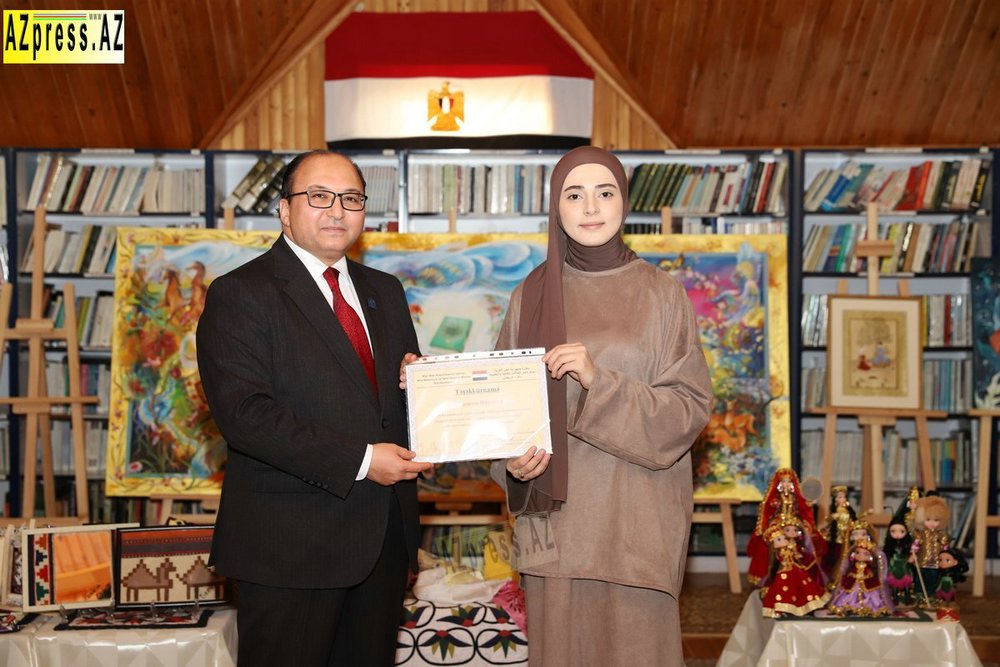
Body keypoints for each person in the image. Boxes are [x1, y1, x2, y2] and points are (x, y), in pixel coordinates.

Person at [196, 150, 432, 666]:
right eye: (319, 196)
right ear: (285, 210)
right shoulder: (240, 293)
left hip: (383, 542)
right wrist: (364, 461)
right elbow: (245, 416)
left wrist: (422, 392)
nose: (337, 210)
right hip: (291, 549)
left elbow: (388, 403)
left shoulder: (385, 291)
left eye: (351, 198)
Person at [488, 146, 713, 666]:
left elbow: (688, 410)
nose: (590, 207)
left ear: (623, 202)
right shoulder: (530, 295)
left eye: (604, 192)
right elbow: (503, 410)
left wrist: (598, 382)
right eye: (574, 195)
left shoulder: (662, 294)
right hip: (556, 530)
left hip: (636, 521)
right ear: (557, 207)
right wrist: (512, 465)